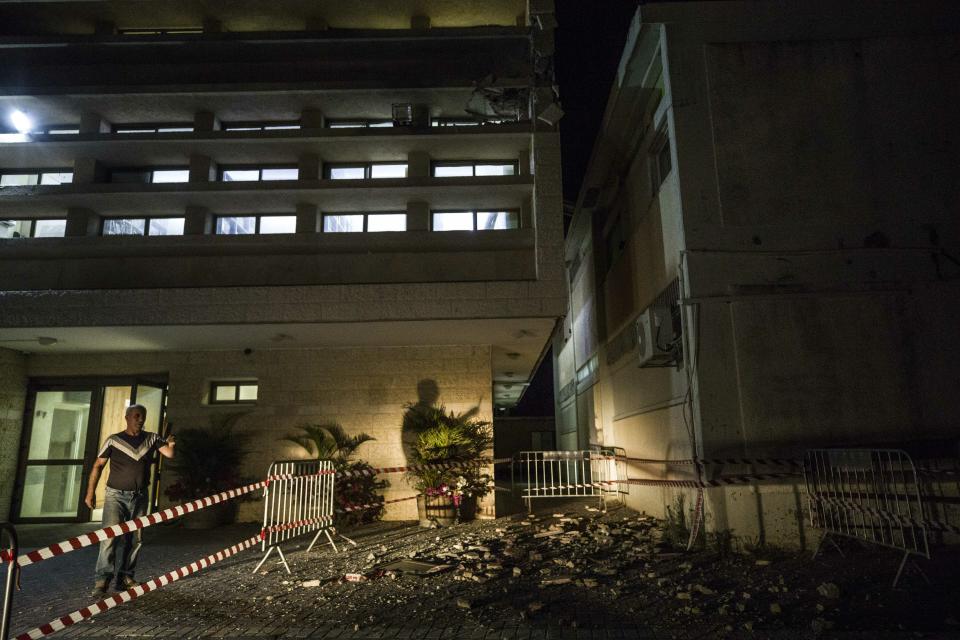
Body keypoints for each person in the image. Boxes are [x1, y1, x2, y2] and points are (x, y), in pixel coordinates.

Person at [84, 404, 175, 596]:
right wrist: (90, 493)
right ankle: (101, 581)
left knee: (135, 539)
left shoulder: (151, 438)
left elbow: (168, 454)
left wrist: (170, 444)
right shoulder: (114, 440)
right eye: (136, 416)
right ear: (127, 417)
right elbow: (98, 465)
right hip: (115, 496)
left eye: (142, 416)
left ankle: (125, 578)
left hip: (140, 496)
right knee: (109, 538)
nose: (140, 419)